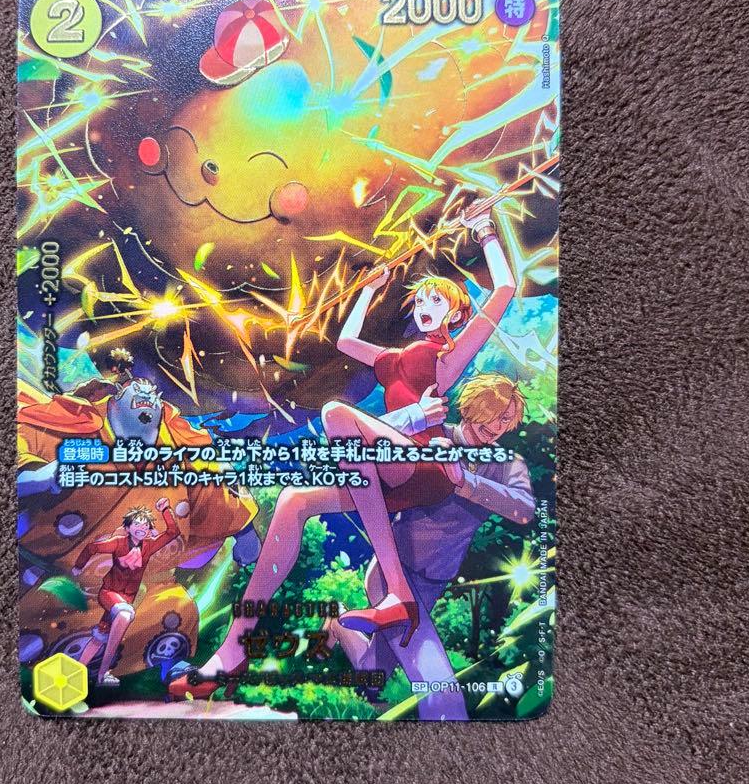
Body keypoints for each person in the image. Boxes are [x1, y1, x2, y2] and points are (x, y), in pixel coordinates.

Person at [169, 202, 515, 699]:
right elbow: (348, 340)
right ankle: (233, 650)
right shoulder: (394, 359)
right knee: (293, 501)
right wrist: (369, 290)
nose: (425, 305)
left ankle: (397, 590)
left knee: (336, 414)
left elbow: (504, 290)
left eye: (438, 301)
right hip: (388, 470)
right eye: (421, 299)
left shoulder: (446, 356)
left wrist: (484, 230)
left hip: (426, 467)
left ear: (456, 314)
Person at [329, 374, 535, 721]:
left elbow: (524, 508)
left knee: (373, 673)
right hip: (394, 574)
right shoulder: (435, 433)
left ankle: (336, 623)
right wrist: (417, 414)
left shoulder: (507, 463)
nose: (497, 426)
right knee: (440, 689)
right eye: (493, 414)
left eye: (505, 419)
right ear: (473, 406)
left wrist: (465, 481)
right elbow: (357, 435)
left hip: (434, 581)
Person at [70, 497, 187, 686]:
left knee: (101, 636)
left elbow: (173, 532)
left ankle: (76, 673)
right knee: (124, 615)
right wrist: (78, 566)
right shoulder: (118, 543)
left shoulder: (148, 546)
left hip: (127, 597)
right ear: (128, 528)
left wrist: (165, 509)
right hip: (109, 593)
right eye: (137, 524)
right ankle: (102, 674)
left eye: (145, 525)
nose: (142, 528)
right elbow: (92, 548)